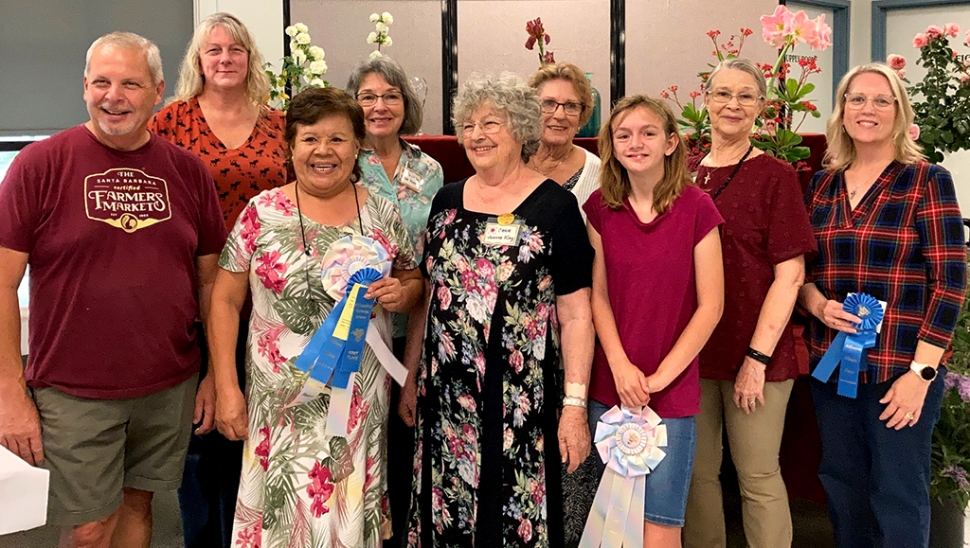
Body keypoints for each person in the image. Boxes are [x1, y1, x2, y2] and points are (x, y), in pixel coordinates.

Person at [0, 32, 226, 547]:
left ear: (158, 91)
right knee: (87, 526)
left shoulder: (188, 173)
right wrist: (9, 388)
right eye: (101, 82)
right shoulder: (40, 165)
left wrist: (213, 375)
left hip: (168, 383)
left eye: (130, 83)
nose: (113, 95)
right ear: (83, 87)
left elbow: (211, 281)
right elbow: (2, 281)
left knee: (138, 504)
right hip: (73, 387)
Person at [209, 86, 423, 548]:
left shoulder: (383, 213)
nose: (323, 151)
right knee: (286, 517)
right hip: (280, 403)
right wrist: (227, 386)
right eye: (310, 139)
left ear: (357, 145)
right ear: (290, 146)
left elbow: (414, 282)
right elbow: (224, 301)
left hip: (359, 405)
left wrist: (399, 293)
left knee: (344, 507)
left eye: (338, 139)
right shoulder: (261, 213)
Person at [399, 72, 595, 547]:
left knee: (511, 513)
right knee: (445, 511)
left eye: (491, 123)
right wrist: (410, 374)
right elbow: (429, 295)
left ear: (523, 129)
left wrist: (574, 407)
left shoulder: (557, 208)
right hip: (445, 396)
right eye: (467, 124)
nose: (476, 134)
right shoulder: (446, 201)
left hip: (519, 400)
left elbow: (576, 315)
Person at [798, 63, 966, 547]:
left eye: (880, 100)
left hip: (903, 371)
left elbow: (951, 282)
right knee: (842, 487)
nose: (867, 109)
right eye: (856, 99)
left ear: (898, 111)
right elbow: (803, 272)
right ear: (842, 110)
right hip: (832, 367)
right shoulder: (823, 186)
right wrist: (816, 304)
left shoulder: (927, 180)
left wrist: (922, 375)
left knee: (897, 493)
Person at [148, 13, 287, 548]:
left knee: (262, 429)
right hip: (195, 294)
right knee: (204, 431)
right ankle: (205, 538)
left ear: (249, 57)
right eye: (213, 50)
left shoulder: (279, 123)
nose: (224, 58)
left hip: (271, 300)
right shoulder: (171, 122)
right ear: (198, 61)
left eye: (235, 49)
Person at [683, 58, 817, 548]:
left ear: (762, 107)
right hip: (691, 352)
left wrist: (756, 360)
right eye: (722, 94)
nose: (732, 105)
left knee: (757, 477)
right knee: (696, 478)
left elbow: (791, 274)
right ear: (706, 102)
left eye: (745, 96)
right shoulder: (681, 174)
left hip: (755, 353)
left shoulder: (775, 176)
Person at [583, 95, 723, 548]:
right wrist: (622, 368)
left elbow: (711, 306)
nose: (635, 142)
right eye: (623, 135)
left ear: (670, 143)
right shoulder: (600, 209)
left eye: (647, 133)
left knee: (660, 529)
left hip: (672, 388)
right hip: (612, 386)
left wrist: (662, 376)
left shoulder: (697, 207)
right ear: (611, 146)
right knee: (611, 525)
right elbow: (598, 297)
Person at [345, 55, 443, 547]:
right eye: (367, 96)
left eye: (391, 96)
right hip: (349, 331)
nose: (379, 106)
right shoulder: (339, 158)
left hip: (415, 324)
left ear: (407, 104)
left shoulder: (429, 170)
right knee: (357, 440)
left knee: (405, 440)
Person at [527, 63, 601, 219]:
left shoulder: (600, 176)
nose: (559, 115)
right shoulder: (510, 164)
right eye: (548, 103)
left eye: (571, 106)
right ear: (531, 109)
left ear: (582, 116)